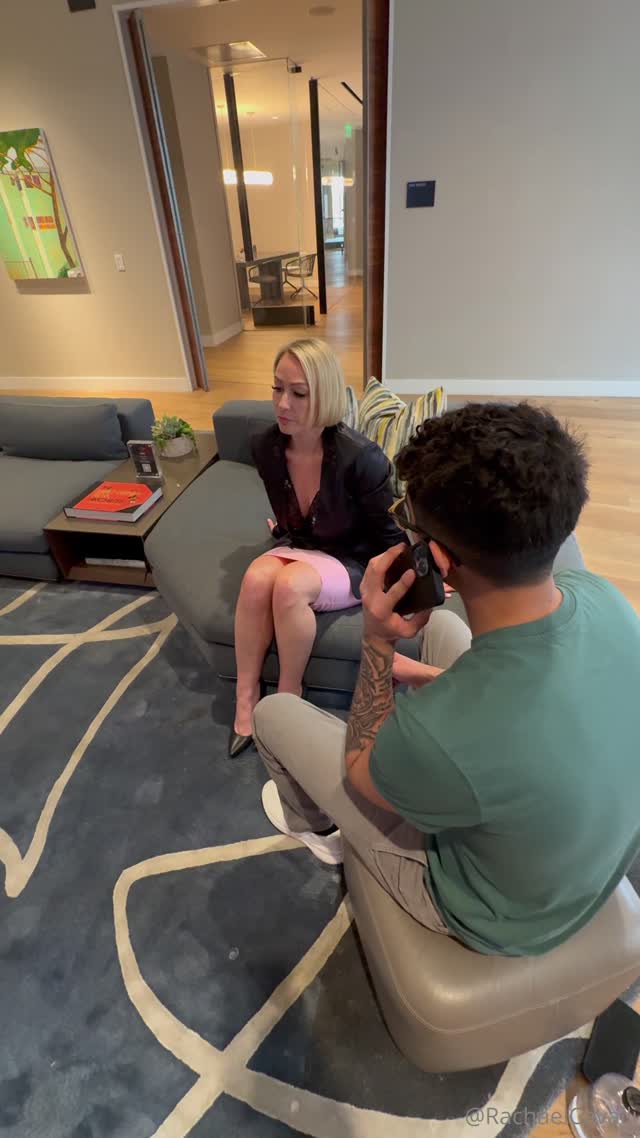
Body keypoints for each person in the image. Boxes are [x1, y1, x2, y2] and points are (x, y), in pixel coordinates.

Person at [253, 402, 640, 957]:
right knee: (445, 633)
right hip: (580, 868)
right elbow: (516, 699)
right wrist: (434, 678)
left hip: (494, 916)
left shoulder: (438, 737)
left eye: (403, 515)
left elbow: (361, 768)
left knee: (273, 715)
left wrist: (378, 645)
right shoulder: (605, 597)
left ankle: (314, 828)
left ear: (436, 559)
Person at [230, 337, 403, 757]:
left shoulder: (361, 458)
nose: (282, 403)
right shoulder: (266, 447)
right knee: (255, 578)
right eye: (277, 389)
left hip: (353, 557)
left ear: (323, 395)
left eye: (298, 393)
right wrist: (285, 529)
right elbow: (291, 512)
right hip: (304, 545)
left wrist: (413, 578)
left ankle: (289, 696)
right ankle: (245, 697)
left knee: (289, 586)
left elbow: (388, 534)